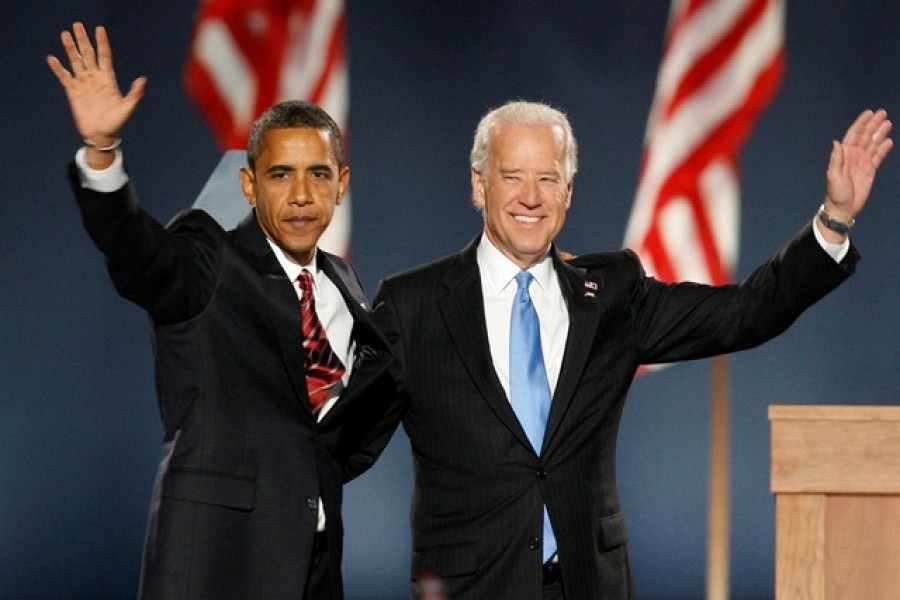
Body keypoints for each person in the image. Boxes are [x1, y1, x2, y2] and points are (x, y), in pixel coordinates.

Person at [352, 100, 893, 599]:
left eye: (548, 178)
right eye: (512, 177)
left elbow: (745, 313)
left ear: (568, 190)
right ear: (479, 184)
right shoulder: (413, 304)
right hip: (469, 587)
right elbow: (347, 438)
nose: (531, 197)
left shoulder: (612, 295)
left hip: (590, 582)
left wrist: (834, 219)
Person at [48, 22, 393, 600]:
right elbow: (139, 254)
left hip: (312, 568)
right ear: (249, 184)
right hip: (215, 565)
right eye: (280, 175)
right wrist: (103, 154)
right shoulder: (210, 257)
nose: (302, 194)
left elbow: (337, 427)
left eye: (319, 174)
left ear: (342, 184)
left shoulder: (344, 284)